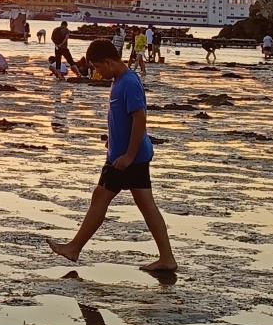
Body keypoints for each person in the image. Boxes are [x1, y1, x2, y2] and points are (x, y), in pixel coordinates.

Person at [45, 38, 179, 278]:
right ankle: (167, 258)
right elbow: (123, 119)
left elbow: (140, 119)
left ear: (108, 62)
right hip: (126, 154)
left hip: (127, 158)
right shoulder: (119, 81)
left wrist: (127, 154)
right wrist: (113, 139)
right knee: (146, 206)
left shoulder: (128, 83)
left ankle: (74, 248)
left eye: (97, 67)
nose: (96, 72)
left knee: (101, 198)